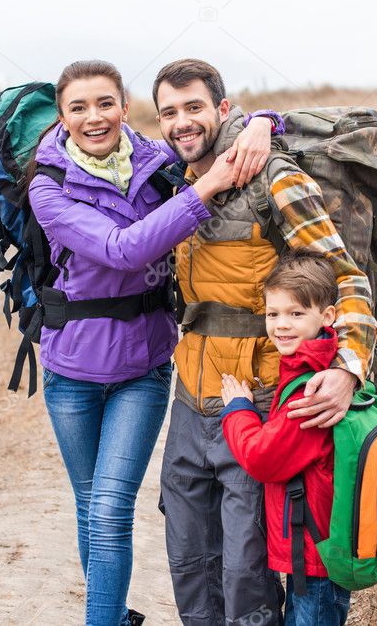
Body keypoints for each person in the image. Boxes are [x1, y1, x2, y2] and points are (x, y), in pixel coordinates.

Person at [27, 59, 277, 626]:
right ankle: (111, 614)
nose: (95, 117)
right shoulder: (48, 187)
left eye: (106, 103)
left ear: (124, 105)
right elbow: (123, 249)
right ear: (61, 117)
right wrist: (208, 188)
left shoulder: (154, 159)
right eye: (79, 107)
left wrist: (264, 120)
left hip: (143, 368)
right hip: (70, 373)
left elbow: (206, 131)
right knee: (92, 507)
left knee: (111, 510)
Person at [153, 59, 377, 625]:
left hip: (258, 395)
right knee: (187, 557)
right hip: (190, 392)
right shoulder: (176, 176)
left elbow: (345, 277)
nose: (182, 122)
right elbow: (91, 132)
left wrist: (349, 369)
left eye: (194, 108)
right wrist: (265, 118)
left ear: (222, 110)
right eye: (169, 112)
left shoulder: (274, 177)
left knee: (245, 571)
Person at [220, 248, 352, 625]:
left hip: (316, 554)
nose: (281, 325)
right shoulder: (314, 365)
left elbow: (264, 457)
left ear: (327, 316)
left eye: (296, 313)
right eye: (273, 313)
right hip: (313, 548)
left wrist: (239, 411)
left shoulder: (312, 390)